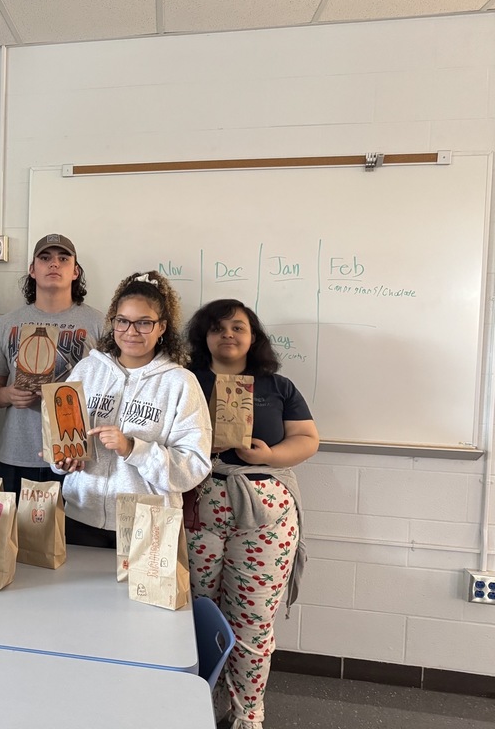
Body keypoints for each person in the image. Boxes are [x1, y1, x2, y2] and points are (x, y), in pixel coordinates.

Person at [184, 299, 319, 729]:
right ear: (203, 336)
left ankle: (247, 714)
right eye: (218, 327)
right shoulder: (185, 382)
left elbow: (307, 438)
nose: (228, 334)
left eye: (238, 327)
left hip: (265, 513)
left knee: (253, 618)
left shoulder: (277, 386)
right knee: (196, 609)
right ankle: (196, 702)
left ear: (253, 337)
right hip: (198, 507)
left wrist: (271, 454)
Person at [49, 270, 212, 547]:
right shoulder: (88, 370)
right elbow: (66, 436)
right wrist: (62, 461)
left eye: (144, 323)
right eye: (122, 321)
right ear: (113, 323)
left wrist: (132, 449)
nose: (131, 332)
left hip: (147, 525)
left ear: (162, 327)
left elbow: (194, 465)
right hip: (79, 516)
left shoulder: (180, 382)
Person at [0, 234, 104, 495]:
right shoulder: (6, 324)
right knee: (13, 535)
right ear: (32, 270)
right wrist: (7, 394)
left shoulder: (99, 324)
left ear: (75, 271)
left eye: (63, 258)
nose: (54, 264)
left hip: (75, 456)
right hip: (16, 453)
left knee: (70, 537)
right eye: (45, 258)